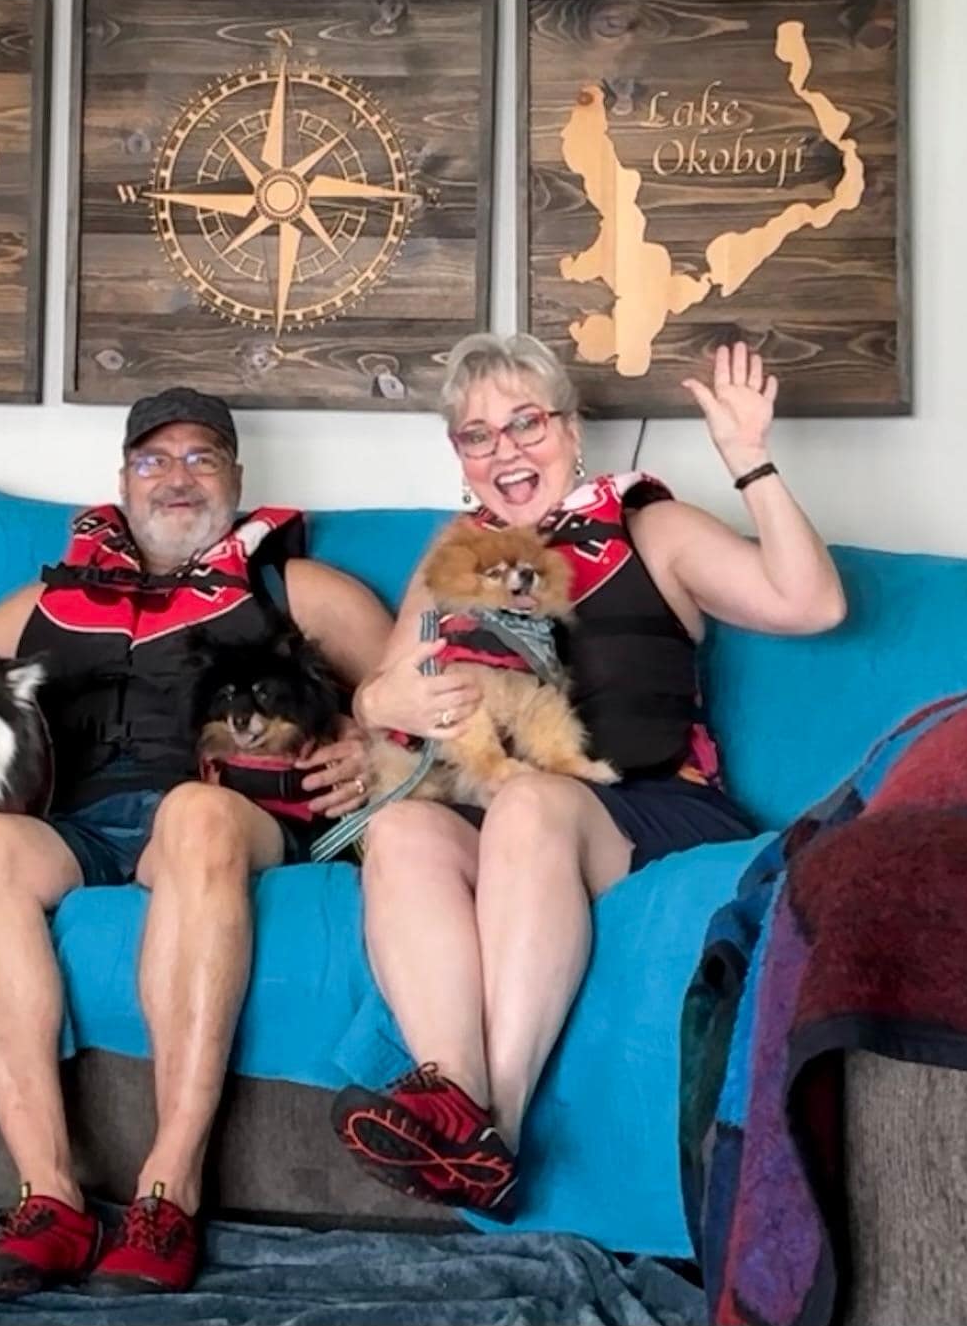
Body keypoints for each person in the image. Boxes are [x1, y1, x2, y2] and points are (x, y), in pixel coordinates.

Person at [331, 333, 846, 1217]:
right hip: (506, 817)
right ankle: (452, 1103)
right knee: (402, 828)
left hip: (651, 805)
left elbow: (813, 603)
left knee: (530, 802)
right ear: (460, 456)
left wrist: (748, 459)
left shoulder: (650, 527)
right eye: (477, 435)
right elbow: (380, 690)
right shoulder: (455, 554)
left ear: (569, 430)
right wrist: (390, 698)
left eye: (525, 423)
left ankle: (496, 1125)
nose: (505, 450)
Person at [0, 388, 391, 1300]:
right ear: (122, 480)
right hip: (74, 821)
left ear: (235, 476)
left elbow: (414, 691)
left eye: (199, 458)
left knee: (194, 812)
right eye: (153, 460)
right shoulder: (47, 598)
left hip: (226, 811)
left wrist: (378, 748)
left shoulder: (294, 587)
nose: (175, 478)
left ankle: (168, 1192)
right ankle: (49, 1197)